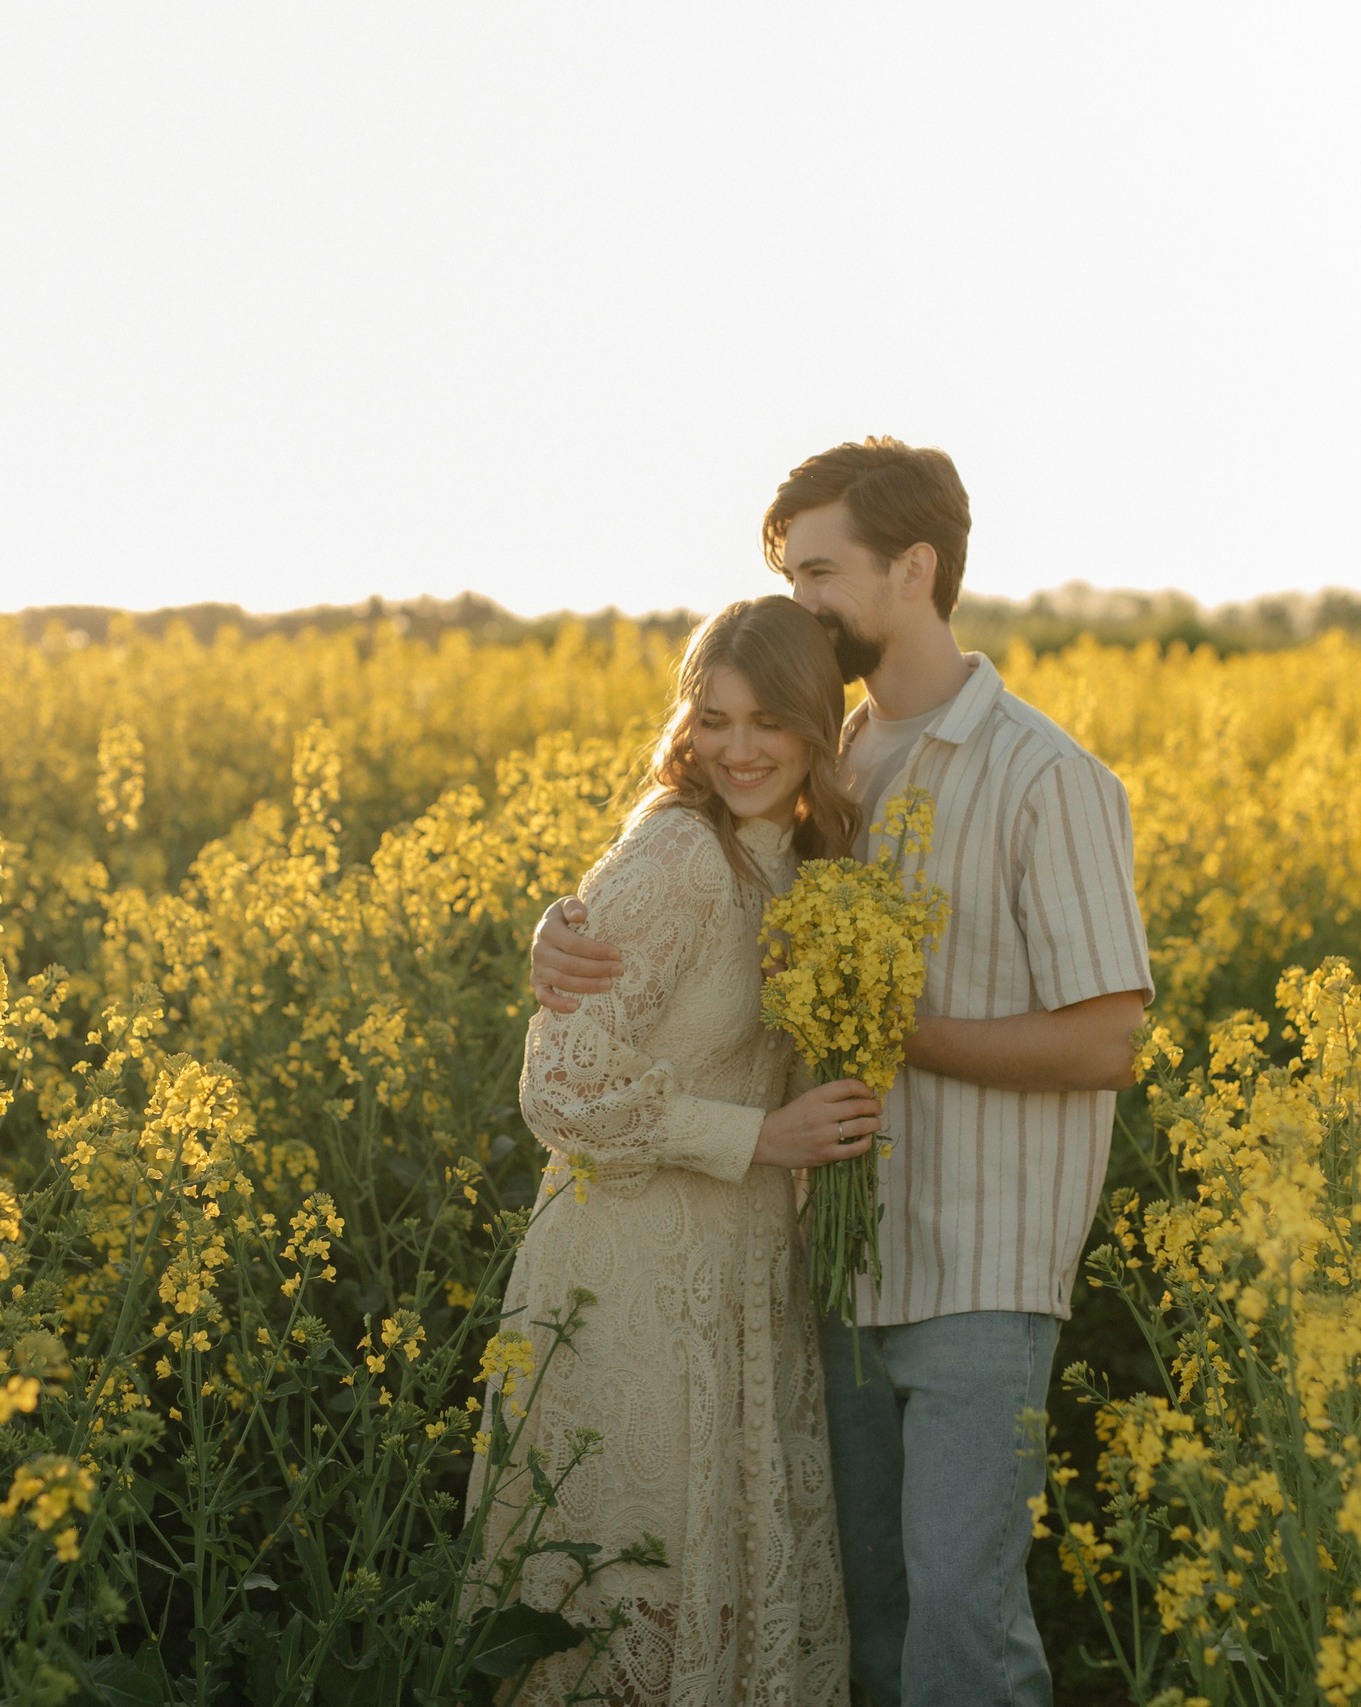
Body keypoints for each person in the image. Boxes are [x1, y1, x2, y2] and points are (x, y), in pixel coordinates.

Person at [530, 440, 1154, 1707]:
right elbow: (676, 896)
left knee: (963, 1636)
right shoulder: (825, 757)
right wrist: (557, 938)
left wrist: (890, 1030)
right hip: (826, 1264)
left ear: (913, 568)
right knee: (861, 1633)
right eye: (789, 577)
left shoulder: (1047, 777)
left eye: (820, 573)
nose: (801, 604)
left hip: (980, 1270)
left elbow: (1107, 1042)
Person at [474, 595, 883, 1707]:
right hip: (630, 1276)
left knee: (723, 1581)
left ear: (816, 728)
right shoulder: (677, 854)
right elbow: (558, 1087)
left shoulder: (802, 863)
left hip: (740, 1271)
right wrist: (762, 1138)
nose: (737, 750)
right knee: (632, 1585)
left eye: (769, 722)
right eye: (714, 719)